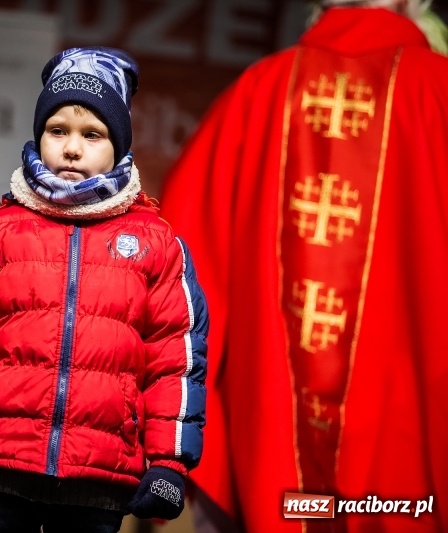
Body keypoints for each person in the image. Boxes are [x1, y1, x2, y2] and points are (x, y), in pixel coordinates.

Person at [160, 1, 448, 532]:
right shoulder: (438, 92)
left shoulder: (261, 89)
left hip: (262, 436)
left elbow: (179, 264)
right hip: (407, 436)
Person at [0, 47, 208, 533]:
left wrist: (170, 463)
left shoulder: (156, 246)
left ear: (121, 147)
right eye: (57, 130)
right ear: (39, 135)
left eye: (93, 134)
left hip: (101, 477)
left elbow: (176, 359)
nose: (72, 148)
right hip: (0, 469)